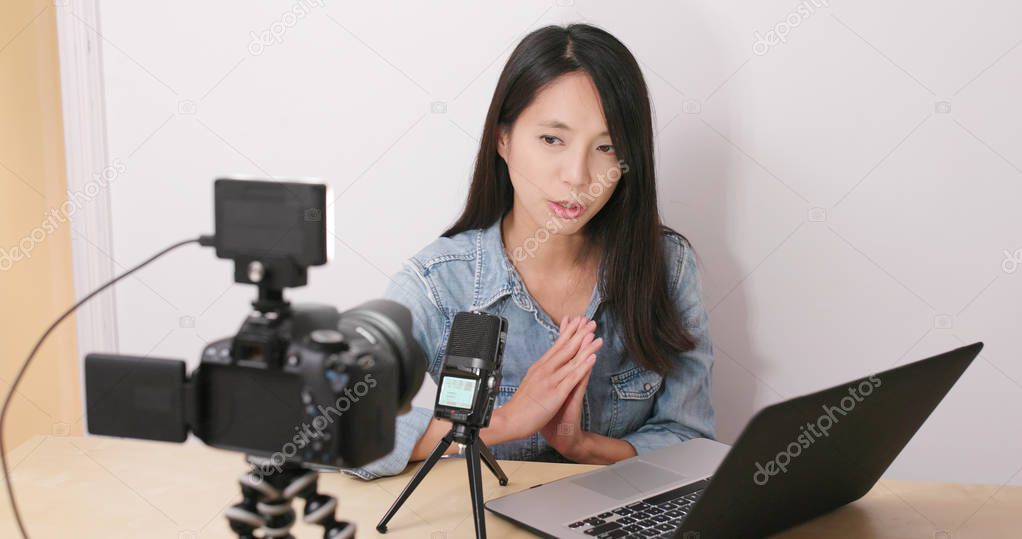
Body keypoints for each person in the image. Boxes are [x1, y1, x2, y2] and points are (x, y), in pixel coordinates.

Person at [341, 23, 715, 480]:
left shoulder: (667, 266)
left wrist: (585, 446)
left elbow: (691, 440)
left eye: (606, 147)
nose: (577, 176)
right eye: (552, 139)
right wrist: (498, 422)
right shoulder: (441, 283)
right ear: (503, 139)